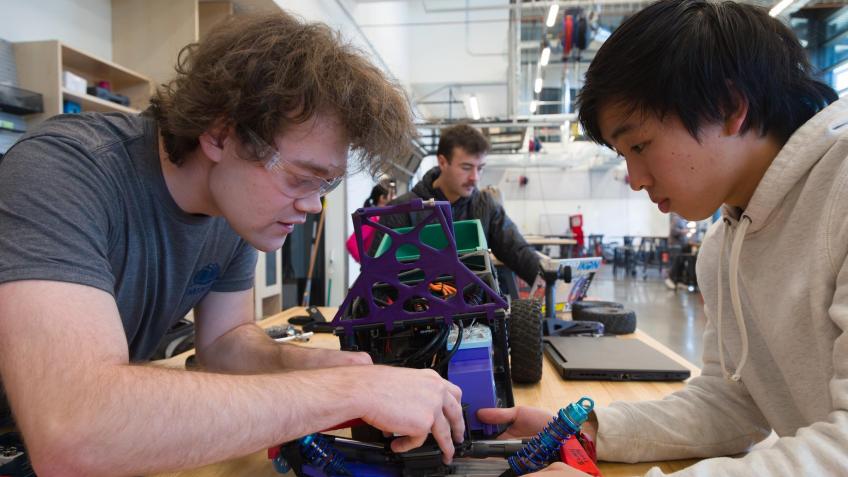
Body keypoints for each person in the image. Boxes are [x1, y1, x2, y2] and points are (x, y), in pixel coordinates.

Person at [0, 12, 466, 475]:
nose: (314, 208)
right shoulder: (62, 173)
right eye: (303, 179)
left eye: (324, 186)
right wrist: (348, 394)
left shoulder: (232, 209)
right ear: (221, 135)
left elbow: (225, 343)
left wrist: (333, 369)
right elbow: (74, 429)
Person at [479, 0, 848, 475]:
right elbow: (729, 405)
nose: (633, 178)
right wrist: (590, 431)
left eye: (639, 145)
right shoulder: (721, 247)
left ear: (730, 106)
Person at [370, 123, 541, 286]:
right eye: (466, 167)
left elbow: (517, 250)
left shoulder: (485, 207)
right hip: (416, 310)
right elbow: (373, 275)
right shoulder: (401, 211)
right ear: (443, 162)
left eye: (480, 168)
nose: (475, 177)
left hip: (476, 310)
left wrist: (547, 277)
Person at [346, 182, 395, 262]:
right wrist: (366, 262)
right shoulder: (372, 220)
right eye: (391, 195)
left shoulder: (382, 219)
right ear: (382, 198)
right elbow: (351, 243)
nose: (394, 198)